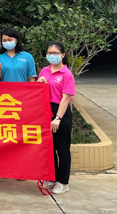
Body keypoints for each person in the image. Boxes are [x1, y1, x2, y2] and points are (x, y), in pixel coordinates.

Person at [37, 42, 75, 195]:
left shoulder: (67, 74)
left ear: (63, 55)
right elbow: (39, 91)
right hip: (46, 111)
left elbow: (65, 98)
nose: (52, 55)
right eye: (49, 53)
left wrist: (58, 118)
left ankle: (63, 181)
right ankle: (52, 177)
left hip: (61, 112)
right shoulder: (44, 71)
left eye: (55, 53)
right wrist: (40, 84)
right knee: (49, 148)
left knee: (62, 148)